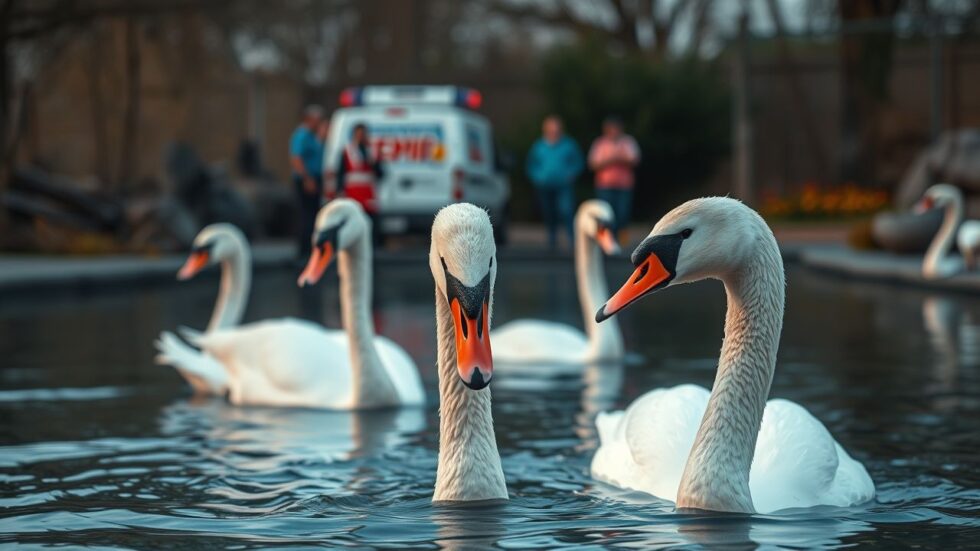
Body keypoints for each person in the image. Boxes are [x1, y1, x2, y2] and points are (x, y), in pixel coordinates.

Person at [526, 115, 583, 250]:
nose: (554, 131)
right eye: (551, 128)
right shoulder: (539, 146)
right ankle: (552, 239)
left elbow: (578, 162)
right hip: (545, 185)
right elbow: (531, 164)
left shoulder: (568, 144)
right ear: (545, 129)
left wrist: (571, 174)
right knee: (548, 212)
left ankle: (572, 238)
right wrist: (537, 177)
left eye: (556, 128)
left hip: (563, 185)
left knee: (567, 210)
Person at [588, 116, 640, 244]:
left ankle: (622, 242)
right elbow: (593, 164)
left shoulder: (628, 142)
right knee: (605, 215)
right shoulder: (600, 143)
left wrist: (617, 159)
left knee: (622, 213)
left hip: (624, 185)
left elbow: (634, 160)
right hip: (604, 185)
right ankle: (605, 241)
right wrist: (612, 159)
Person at [331, 123, 384, 240]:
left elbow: (381, 174)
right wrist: (339, 190)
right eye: (358, 134)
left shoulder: (372, 151)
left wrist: (373, 164)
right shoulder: (348, 151)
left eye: (363, 134)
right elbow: (341, 173)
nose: (361, 137)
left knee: (371, 222)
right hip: (352, 194)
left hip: (368, 194)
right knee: (352, 220)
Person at [289, 104, 326, 259]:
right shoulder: (302, 135)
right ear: (309, 119)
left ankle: (311, 249)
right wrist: (307, 178)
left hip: (315, 178)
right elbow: (296, 159)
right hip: (305, 180)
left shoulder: (313, 136)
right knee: (306, 215)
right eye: (317, 120)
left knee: (314, 214)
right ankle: (303, 251)